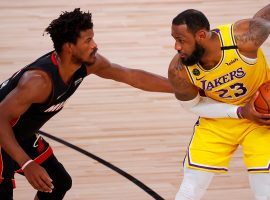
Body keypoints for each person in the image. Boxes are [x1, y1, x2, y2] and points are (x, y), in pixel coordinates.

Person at [0, 8, 174, 200]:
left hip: (19, 133)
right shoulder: (38, 82)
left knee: (59, 182)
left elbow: (132, 76)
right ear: (69, 47)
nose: (95, 45)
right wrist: (25, 163)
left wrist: (180, 88)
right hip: (2, 130)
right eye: (88, 41)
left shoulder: (88, 64)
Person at [168, 4, 270, 200]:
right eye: (175, 40)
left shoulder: (243, 38)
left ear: (201, 36)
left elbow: (266, 17)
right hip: (219, 118)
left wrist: (248, 112)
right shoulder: (179, 71)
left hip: (262, 118)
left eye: (181, 40)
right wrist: (239, 112)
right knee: (191, 188)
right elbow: (193, 105)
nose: (177, 47)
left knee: (265, 188)